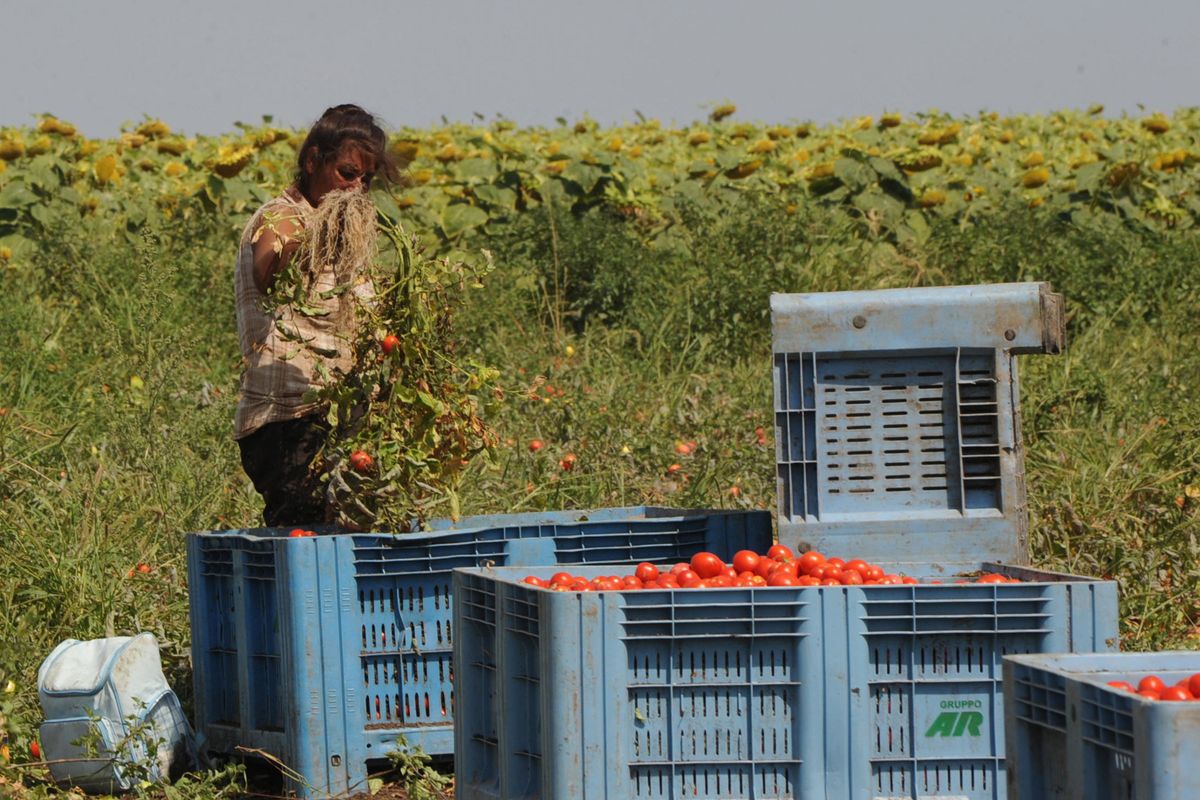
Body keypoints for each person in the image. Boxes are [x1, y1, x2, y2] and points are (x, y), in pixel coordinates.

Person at [233, 104, 398, 526]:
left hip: (340, 417)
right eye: (346, 173)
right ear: (312, 162)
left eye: (366, 180)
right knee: (307, 539)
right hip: (291, 423)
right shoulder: (283, 216)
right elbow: (268, 264)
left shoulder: (344, 233)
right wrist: (298, 246)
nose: (356, 189)